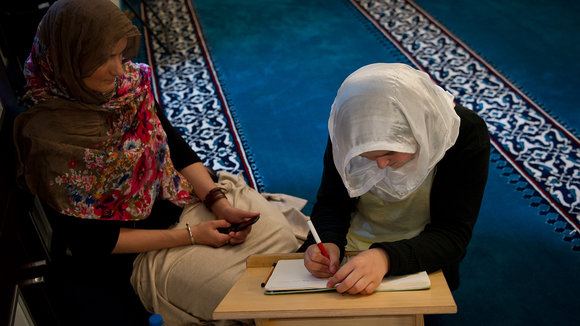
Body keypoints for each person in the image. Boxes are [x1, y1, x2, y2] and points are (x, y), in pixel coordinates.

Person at [13, 0, 298, 325]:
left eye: (119, 55)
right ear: (68, 59)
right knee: (247, 294)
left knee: (282, 241)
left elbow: (174, 147)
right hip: (142, 251)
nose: (119, 70)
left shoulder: (126, 88)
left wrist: (218, 203)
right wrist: (193, 235)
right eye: (101, 59)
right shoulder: (47, 137)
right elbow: (91, 243)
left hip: (184, 200)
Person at [300, 63, 490, 295]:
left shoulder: (464, 134)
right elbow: (332, 202)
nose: (381, 165)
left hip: (421, 251)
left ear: (419, 130)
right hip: (351, 248)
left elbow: (453, 233)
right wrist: (326, 242)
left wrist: (384, 258)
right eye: (367, 157)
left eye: (390, 152)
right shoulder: (350, 130)